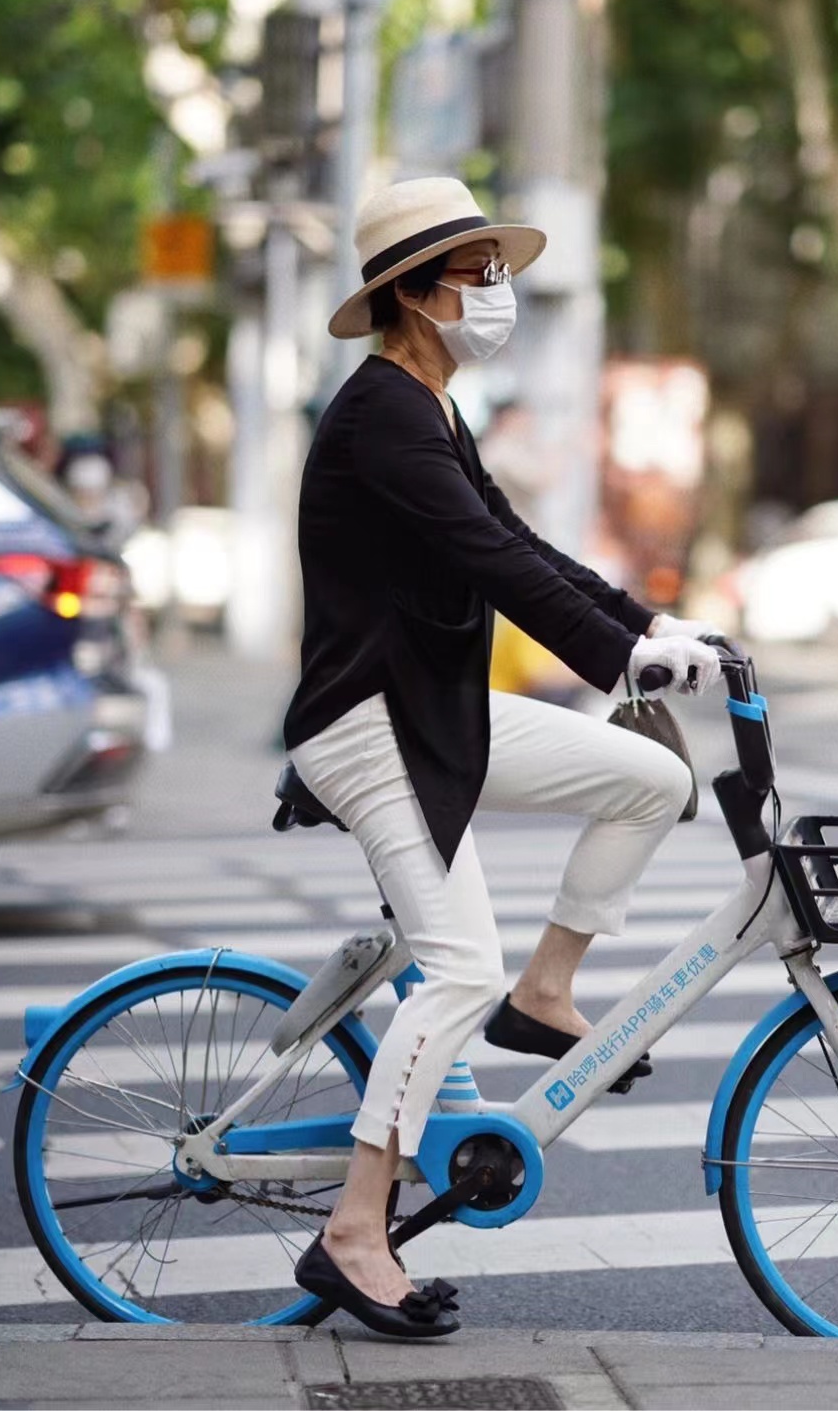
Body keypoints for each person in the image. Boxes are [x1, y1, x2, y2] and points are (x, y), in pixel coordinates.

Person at [282, 177, 723, 1338]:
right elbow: (488, 559)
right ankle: (350, 1230)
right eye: (477, 272)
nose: (498, 292)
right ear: (416, 295)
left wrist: (647, 632)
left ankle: (549, 990)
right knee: (454, 969)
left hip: (432, 712)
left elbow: (520, 542)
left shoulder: (426, 406)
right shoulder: (379, 415)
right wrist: (620, 660)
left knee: (652, 778)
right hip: (371, 727)